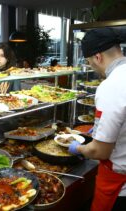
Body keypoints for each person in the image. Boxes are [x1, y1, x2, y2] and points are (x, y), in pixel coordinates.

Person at [68, 28, 126, 211]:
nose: (92, 67)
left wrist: (78, 148)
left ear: (98, 57)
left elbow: (100, 151)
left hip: (119, 184)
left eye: (89, 62)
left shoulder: (111, 85)